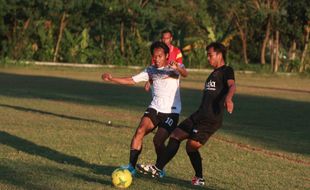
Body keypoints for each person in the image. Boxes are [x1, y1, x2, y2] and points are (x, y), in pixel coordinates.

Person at [137, 42, 236, 186]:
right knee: (175, 135)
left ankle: (198, 178)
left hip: (210, 119)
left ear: (219, 54)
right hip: (199, 114)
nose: (208, 58)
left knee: (191, 146)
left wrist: (228, 98)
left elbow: (232, 85)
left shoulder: (227, 70)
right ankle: (158, 168)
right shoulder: (212, 74)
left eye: (210, 55)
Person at [102, 41, 187, 176]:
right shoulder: (150, 70)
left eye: (160, 56)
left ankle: (159, 168)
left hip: (171, 111)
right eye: (155, 56)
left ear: (166, 55)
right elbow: (131, 80)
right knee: (140, 131)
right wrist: (112, 79)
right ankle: (131, 167)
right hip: (154, 108)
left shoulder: (174, 67)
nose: (157, 59)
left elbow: (185, 73)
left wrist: (177, 67)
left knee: (158, 140)